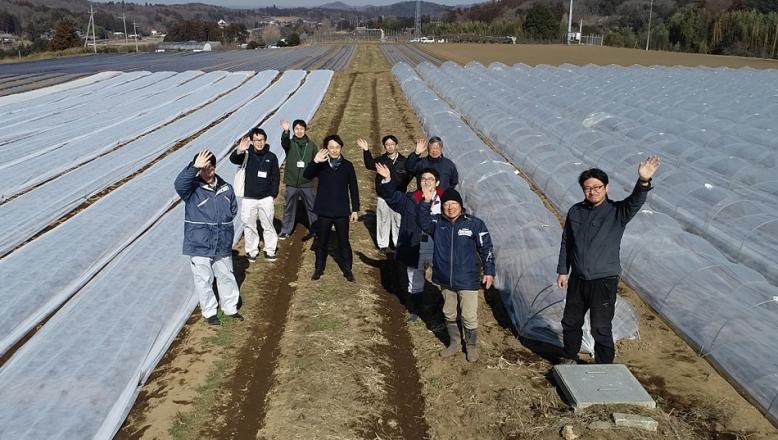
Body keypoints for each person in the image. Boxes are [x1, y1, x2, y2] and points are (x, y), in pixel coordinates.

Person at [557, 155, 661, 365]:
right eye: (587, 188)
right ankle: (569, 356)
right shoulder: (575, 211)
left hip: (603, 280)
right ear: (582, 189)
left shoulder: (617, 212)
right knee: (570, 321)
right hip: (578, 279)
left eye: (597, 187)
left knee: (600, 326)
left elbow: (636, 201)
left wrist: (643, 182)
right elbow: (566, 242)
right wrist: (562, 270)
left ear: (606, 188)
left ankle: (604, 365)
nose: (592, 191)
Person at [417, 187, 495, 362]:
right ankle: (454, 343)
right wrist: (426, 202)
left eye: (454, 203)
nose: (450, 207)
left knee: (468, 315)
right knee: (449, 313)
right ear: (442, 206)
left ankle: (471, 346)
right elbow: (421, 221)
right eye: (447, 204)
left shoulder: (474, 224)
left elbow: (486, 248)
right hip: (445, 279)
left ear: (461, 205)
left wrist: (489, 271)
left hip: (467, 279)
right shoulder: (437, 223)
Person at [174, 150, 244, 326]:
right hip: (200, 242)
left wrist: (225, 223)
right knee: (203, 279)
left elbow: (233, 209)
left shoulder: (226, 187)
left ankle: (230, 308)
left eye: (210, 167)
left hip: (222, 241)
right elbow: (179, 184)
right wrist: (193, 167)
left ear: (214, 166)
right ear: (199, 169)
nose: (208, 172)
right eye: (203, 168)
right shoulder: (192, 189)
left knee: (226, 274)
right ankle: (210, 311)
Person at [375, 163, 443, 322]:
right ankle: (415, 310)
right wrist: (387, 179)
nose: (426, 182)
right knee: (415, 278)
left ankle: (442, 307)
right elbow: (391, 197)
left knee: (442, 277)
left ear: (437, 183)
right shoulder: (410, 199)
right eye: (423, 179)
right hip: (414, 244)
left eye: (430, 179)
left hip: (436, 245)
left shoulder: (446, 201)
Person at [303, 135, 360, 282]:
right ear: (326, 149)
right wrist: (315, 161)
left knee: (344, 242)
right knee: (322, 242)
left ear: (341, 148)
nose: (334, 150)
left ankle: (347, 269)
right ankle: (319, 268)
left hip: (341, 211)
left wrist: (355, 209)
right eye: (331, 147)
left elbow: (353, 188)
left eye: (337, 147)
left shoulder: (347, 165)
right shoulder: (321, 165)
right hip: (324, 211)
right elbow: (307, 175)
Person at [230, 127, 280, 262]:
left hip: (266, 197)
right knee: (249, 224)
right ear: (252, 141)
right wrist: (240, 149)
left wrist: (273, 193)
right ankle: (251, 251)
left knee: (268, 224)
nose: (259, 143)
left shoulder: (271, 157)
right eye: (256, 140)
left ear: (265, 140)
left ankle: (270, 250)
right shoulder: (246, 155)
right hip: (249, 197)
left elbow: (276, 176)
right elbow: (233, 159)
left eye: (261, 140)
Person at [358, 135, 410, 256]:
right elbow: (369, 164)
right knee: (383, 220)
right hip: (384, 196)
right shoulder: (381, 160)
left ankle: (398, 244)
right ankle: (383, 245)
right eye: (387, 144)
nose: (390, 146)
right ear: (384, 146)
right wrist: (366, 150)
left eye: (392, 144)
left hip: (398, 196)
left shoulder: (404, 162)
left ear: (396, 145)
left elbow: (410, 174)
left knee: (398, 221)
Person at [279, 119, 317, 241]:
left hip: (307, 183)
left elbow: (316, 163)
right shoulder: (289, 144)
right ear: (293, 130)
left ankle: (316, 229)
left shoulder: (311, 146)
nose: (299, 131)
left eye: (301, 129)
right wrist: (286, 131)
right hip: (292, 183)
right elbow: (284, 142)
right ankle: (285, 231)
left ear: (305, 130)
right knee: (289, 207)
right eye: (296, 129)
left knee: (312, 207)